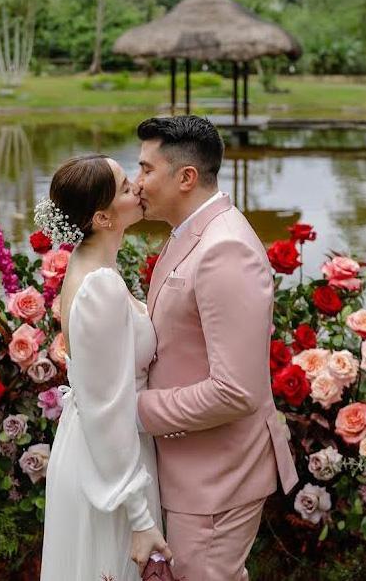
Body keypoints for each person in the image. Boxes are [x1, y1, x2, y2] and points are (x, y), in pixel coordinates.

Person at [134, 116, 299, 581]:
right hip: (190, 466)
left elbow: (235, 391)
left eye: (146, 169)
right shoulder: (190, 232)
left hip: (215, 478)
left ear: (185, 177)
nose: (136, 181)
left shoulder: (226, 250)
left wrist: (134, 410)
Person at [39, 154, 172, 581]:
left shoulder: (95, 268)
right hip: (110, 469)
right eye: (124, 186)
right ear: (102, 217)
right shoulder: (99, 286)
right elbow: (106, 407)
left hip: (107, 449)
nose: (138, 186)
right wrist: (140, 517)